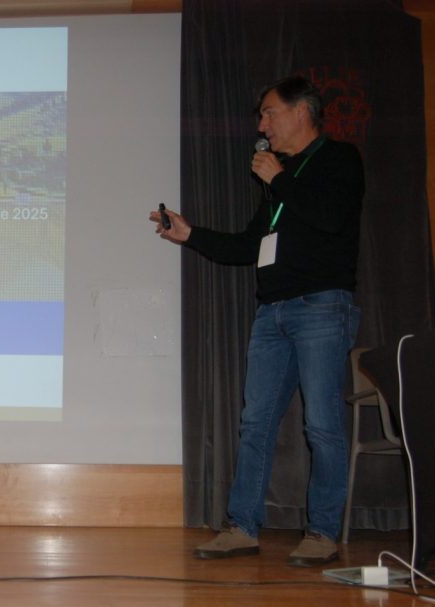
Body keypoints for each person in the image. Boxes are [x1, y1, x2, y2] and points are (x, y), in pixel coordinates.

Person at [150, 75, 364, 566]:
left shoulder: (338, 160)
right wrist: (190, 235)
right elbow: (249, 246)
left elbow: (331, 217)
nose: (262, 126)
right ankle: (242, 527)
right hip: (273, 313)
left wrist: (279, 180)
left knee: (322, 424)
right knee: (255, 423)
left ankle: (322, 534)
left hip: (321, 308)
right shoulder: (279, 181)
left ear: (302, 111)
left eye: (269, 113)